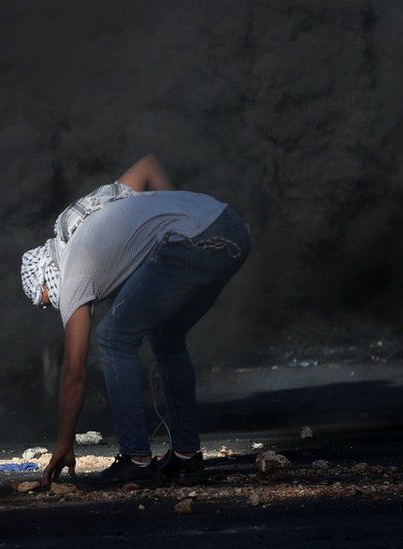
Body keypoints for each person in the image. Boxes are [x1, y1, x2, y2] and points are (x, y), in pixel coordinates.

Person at [20, 154, 250, 488]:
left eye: (44, 300)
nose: (50, 307)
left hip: (195, 240)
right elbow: (149, 166)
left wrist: (63, 444)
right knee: (167, 334)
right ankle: (186, 457)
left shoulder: (70, 273)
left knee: (113, 337)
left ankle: (136, 459)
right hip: (230, 227)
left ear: (46, 277)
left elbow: (74, 373)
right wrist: (175, 215)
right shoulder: (90, 220)